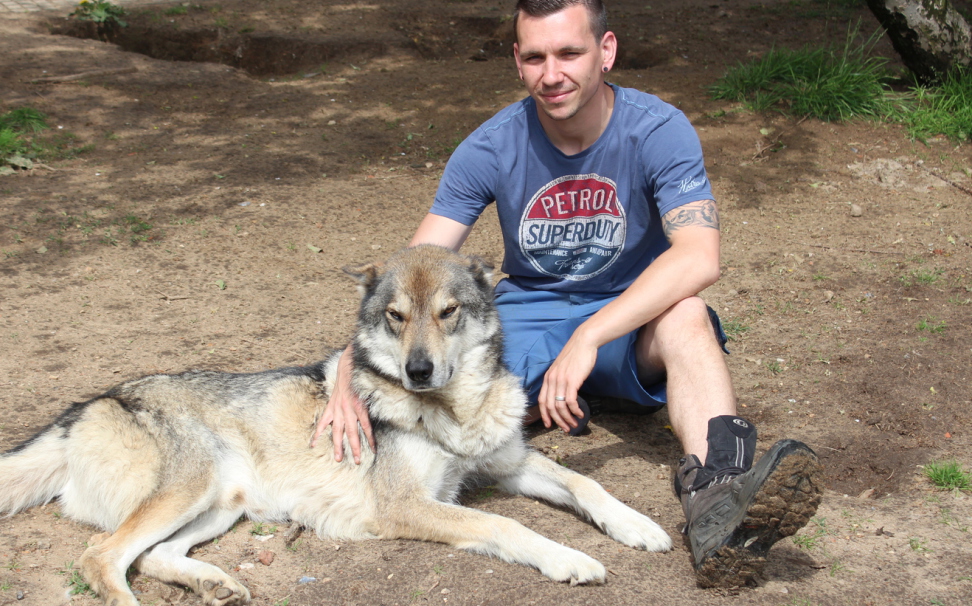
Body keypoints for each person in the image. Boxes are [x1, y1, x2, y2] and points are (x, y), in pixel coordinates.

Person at [312, 0, 822, 588]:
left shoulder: (657, 130)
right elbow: (413, 273)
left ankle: (720, 497)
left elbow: (699, 256)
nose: (551, 74)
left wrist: (590, 337)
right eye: (535, 57)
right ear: (517, 61)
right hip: (528, 322)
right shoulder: (490, 145)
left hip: (630, 317)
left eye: (569, 53)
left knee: (687, 315)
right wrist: (349, 374)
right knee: (458, 382)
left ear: (606, 51)